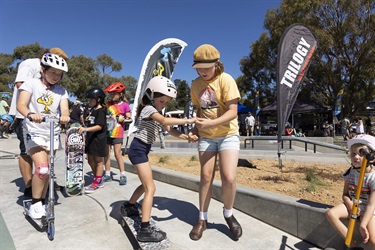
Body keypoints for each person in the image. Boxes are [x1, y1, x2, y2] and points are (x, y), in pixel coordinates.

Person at [122, 76, 196, 242]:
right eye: (161, 100)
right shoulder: (148, 109)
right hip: (138, 149)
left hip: (142, 150)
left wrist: (185, 136)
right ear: (151, 95)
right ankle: (145, 230)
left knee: (146, 184)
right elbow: (164, 120)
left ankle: (129, 206)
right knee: (150, 188)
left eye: (166, 102)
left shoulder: (157, 111)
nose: (164, 104)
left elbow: (169, 129)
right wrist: (188, 119)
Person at [187, 44, 242, 241]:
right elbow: (199, 111)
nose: (202, 72)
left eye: (206, 68)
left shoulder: (226, 80)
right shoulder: (195, 85)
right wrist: (195, 129)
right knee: (205, 176)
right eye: (198, 68)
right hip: (207, 137)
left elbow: (232, 111)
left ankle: (228, 214)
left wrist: (211, 123)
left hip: (228, 134)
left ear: (216, 64)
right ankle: (202, 219)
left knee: (228, 177)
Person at [16, 53, 70, 219]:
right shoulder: (31, 84)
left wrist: (65, 116)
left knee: (48, 170)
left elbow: (65, 108)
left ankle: (42, 198)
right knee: (42, 168)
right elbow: (21, 105)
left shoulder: (61, 91)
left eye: (59, 74)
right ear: (42, 69)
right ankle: (35, 203)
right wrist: (31, 114)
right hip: (33, 130)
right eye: (52, 72)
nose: (56, 77)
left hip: (51, 132)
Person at [326, 134, 375, 248]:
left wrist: (363, 224)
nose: (356, 157)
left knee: (373, 242)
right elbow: (345, 195)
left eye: (361, 154)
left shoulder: (373, 178)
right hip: (353, 206)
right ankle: (353, 245)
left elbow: (371, 205)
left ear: (372, 157)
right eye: (353, 154)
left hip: (369, 210)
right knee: (331, 214)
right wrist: (349, 203)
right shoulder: (350, 174)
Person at [78, 87, 107, 194]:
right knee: (90, 160)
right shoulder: (93, 111)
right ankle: (98, 179)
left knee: (98, 161)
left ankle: (97, 182)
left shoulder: (101, 111)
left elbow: (99, 126)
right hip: (91, 139)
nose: (89, 101)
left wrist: (85, 129)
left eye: (91, 99)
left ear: (98, 99)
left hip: (98, 140)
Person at [103, 82, 131, 185]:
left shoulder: (125, 105)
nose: (111, 95)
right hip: (108, 132)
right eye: (110, 94)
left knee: (117, 154)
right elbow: (103, 115)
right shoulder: (108, 104)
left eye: (114, 93)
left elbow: (129, 118)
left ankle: (123, 175)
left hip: (118, 132)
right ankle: (107, 174)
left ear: (121, 94)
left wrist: (123, 119)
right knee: (106, 154)